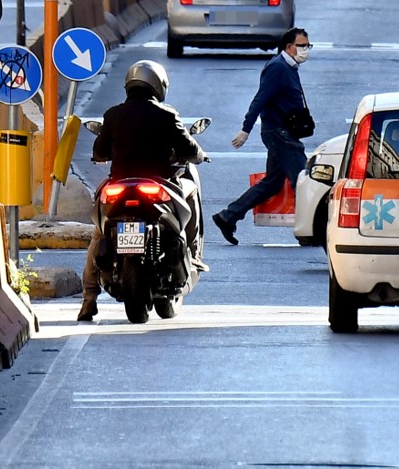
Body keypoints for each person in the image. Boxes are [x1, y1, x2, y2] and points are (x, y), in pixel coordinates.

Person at [78, 61, 206, 322]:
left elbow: (99, 151)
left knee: (99, 232)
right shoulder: (167, 115)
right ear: (158, 86)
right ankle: (193, 254)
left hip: (120, 185)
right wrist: (201, 155)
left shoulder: (113, 114)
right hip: (159, 185)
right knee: (191, 194)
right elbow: (190, 150)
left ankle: (88, 301)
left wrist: (107, 154)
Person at [214, 28, 313, 246]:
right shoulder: (278, 68)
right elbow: (260, 100)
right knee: (303, 181)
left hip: (281, 132)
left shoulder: (288, 67)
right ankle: (307, 232)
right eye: (302, 45)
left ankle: (228, 216)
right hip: (279, 133)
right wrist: (245, 129)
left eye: (308, 46)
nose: (306, 50)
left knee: (272, 183)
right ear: (289, 47)